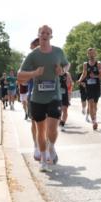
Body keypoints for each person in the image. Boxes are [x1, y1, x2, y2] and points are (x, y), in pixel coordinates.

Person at [18, 26, 68, 172]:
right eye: (42, 33)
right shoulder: (33, 55)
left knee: (52, 128)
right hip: (38, 98)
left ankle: (51, 147)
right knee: (41, 129)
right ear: (38, 35)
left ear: (51, 36)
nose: (45, 35)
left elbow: (66, 64)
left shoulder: (58, 51)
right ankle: (43, 159)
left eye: (48, 33)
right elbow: (20, 75)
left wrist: (62, 70)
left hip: (54, 95)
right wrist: (34, 73)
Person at [77, 47, 101, 131]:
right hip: (89, 87)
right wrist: (80, 80)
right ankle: (94, 121)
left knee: (95, 106)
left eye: (92, 53)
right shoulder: (85, 64)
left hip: (96, 87)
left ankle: (94, 117)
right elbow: (84, 74)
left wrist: (95, 76)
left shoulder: (98, 63)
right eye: (89, 53)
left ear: (95, 54)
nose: (91, 54)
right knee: (90, 104)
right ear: (87, 54)